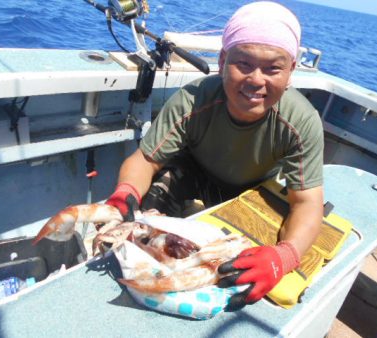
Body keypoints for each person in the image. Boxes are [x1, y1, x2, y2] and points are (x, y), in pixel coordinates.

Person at [106, 1, 324, 311]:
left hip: (252, 192)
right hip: (194, 173)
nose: (256, 80)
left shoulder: (301, 121)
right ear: (222, 61)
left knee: (248, 265)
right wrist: (124, 193)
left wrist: (284, 257)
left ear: (290, 71)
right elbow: (145, 160)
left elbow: (307, 202)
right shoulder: (194, 100)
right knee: (140, 222)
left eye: (273, 68)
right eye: (243, 64)